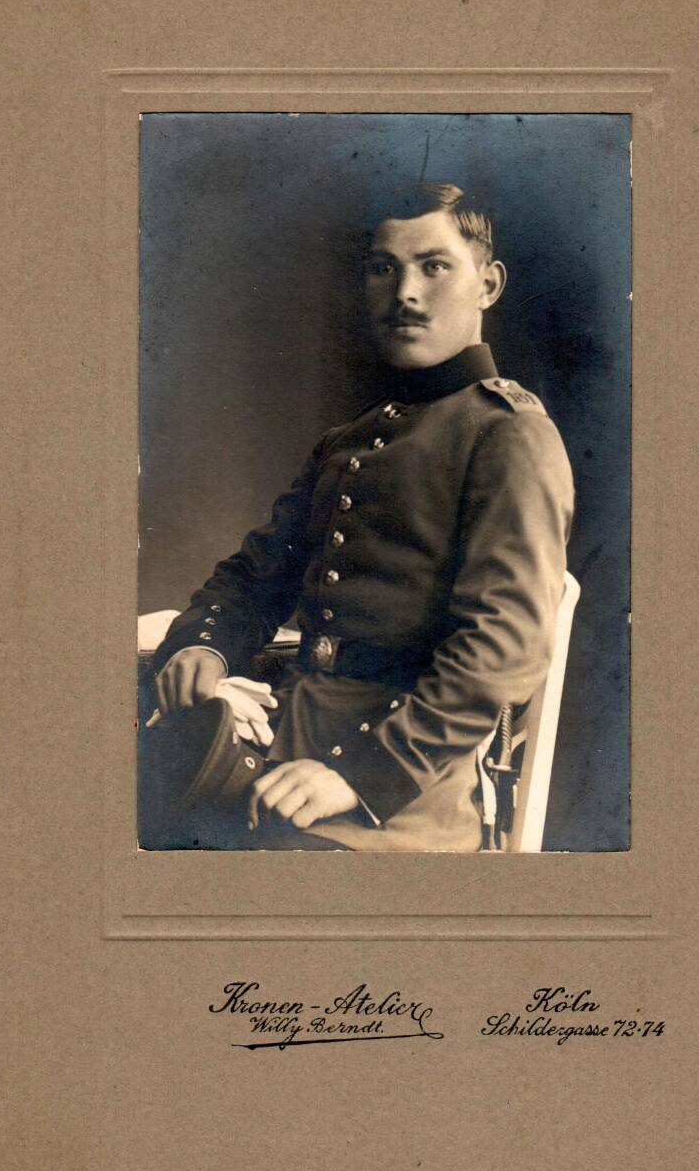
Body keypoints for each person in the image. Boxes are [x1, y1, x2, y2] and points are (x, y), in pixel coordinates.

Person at [143, 181, 574, 851]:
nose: (405, 292)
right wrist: (205, 642)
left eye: (434, 266)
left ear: (488, 285)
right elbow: (254, 577)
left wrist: (362, 778)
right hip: (283, 756)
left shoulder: (508, 434)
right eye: (383, 268)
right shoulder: (347, 442)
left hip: (396, 804)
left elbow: (505, 646)